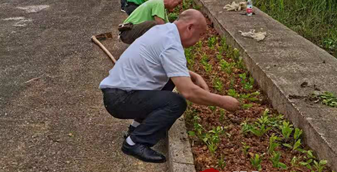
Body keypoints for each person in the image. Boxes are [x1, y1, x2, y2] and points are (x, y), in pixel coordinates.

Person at [100, 10, 240, 163]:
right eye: (199, 35)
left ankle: (136, 129)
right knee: (176, 102)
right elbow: (188, 92)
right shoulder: (171, 45)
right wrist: (224, 102)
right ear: (190, 28)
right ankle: (134, 143)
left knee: (171, 79)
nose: (198, 41)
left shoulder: (163, 30)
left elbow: (170, 67)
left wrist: (195, 76)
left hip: (119, 93)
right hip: (120, 100)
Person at [118, 0, 183, 44]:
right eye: (179, 2)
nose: (179, 5)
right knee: (155, 25)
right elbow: (162, 26)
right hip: (127, 32)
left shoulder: (162, 9)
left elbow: (168, 27)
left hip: (130, 32)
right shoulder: (158, 2)